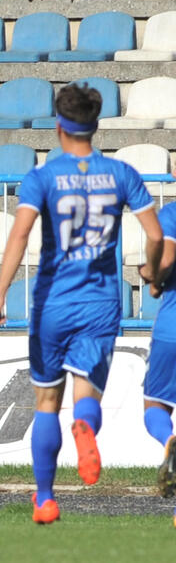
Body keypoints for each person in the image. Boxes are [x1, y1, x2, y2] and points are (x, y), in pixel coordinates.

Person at [0, 83, 163, 525]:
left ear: (58, 126)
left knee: (46, 401)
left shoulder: (42, 177)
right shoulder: (122, 173)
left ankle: (45, 498)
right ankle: (85, 428)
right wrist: (155, 273)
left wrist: (1, 292)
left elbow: (21, 234)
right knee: (88, 395)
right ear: (96, 126)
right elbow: (157, 235)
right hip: (101, 302)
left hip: (53, 303)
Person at [138, 201, 176, 521]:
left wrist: (152, 277)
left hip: (172, 330)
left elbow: (166, 258)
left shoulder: (172, 214)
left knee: (155, 406)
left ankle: (169, 440)